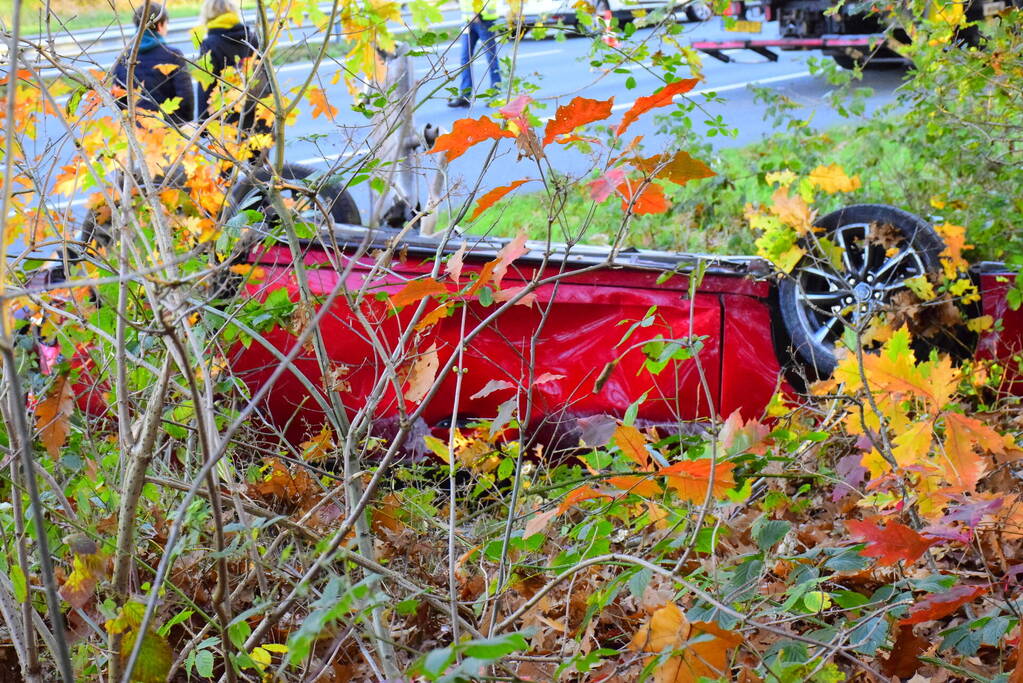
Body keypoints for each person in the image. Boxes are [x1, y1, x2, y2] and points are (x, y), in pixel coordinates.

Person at [112, 4, 195, 124]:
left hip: (137, 130)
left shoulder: (124, 58)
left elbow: (117, 98)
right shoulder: (173, 55)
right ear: (160, 24)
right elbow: (186, 97)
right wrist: (183, 123)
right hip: (170, 127)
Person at [195, 0, 267, 133]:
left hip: (227, 118)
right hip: (257, 115)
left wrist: (203, 123)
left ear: (208, 15)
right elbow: (265, 77)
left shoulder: (210, 44)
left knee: (231, 153)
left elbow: (206, 85)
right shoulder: (251, 38)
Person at [448, 0, 501, 107]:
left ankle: (495, 95)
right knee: (465, 59)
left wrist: (477, 12)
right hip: (468, 21)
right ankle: (465, 96)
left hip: (484, 20)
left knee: (491, 58)